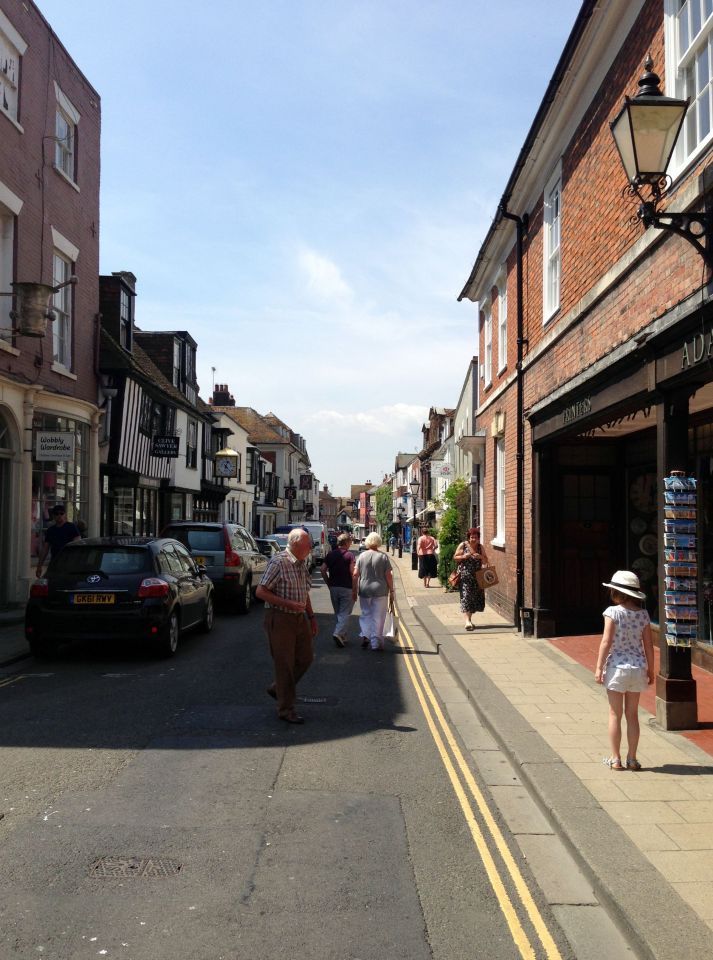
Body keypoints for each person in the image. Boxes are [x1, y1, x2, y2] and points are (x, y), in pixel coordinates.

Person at [255, 528, 317, 724]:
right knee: (285, 665)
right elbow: (260, 591)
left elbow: (304, 592)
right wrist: (287, 604)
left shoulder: (301, 563)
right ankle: (286, 709)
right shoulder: (279, 562)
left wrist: (311, 617)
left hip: (299, 618)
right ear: (296, 544)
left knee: (306, 658)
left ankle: (278, 689)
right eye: (308, 544)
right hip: (280, 618)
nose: (311, 547)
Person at [594, 571, 655, 771]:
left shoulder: (612, 612)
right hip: (637, 668)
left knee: (615, 714)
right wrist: (651, 669)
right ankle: (633, 759)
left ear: (615, 592)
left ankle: (615, 759)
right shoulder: (643, 615)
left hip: (616, 668)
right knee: (632, 715)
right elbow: (648, 645)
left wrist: (599, 667)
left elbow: (606, 641)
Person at [352, 532, 394, 651]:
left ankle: (366, 635)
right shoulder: (383, 557)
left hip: (365, 589)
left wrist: (354, 590)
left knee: (366, 613)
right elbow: (389, 575)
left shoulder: (362, 556)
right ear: (379, 542)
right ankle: (375, 642)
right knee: (378, 616)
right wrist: (392, 590)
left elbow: (355, 574)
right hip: (380, 590)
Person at [320, 532, 356, 647]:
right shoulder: (350, 555)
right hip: (347, 588)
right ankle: (337, 633)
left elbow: (322, 569)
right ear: (346, 543)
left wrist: (328, 583)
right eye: (350, 542)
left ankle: (342, 636)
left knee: (338, 613)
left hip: (333, 588)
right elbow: (353, 573)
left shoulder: (330, 554)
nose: (350, 544)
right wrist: (355, 589)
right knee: (345, 613)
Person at [452, 527, 490, 631]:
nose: (473, 539)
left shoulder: (480, 547)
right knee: (466, 597)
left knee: (473, 599)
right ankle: (467, 622)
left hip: (477, 577)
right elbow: (455, 557)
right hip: (465, 576)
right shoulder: (463, 545)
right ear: (469, 537)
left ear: (478, 538)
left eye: (475, 537)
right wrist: (464, 556)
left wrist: (480, 557)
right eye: (472, 537)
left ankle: (469, 620)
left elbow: (486, 561)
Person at [35, 504, 81, 577]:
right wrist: (39, 566)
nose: (59, 515)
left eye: (61, 513)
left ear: (65, 515)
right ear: (53, 516)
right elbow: (45, 549)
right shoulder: (51, 530)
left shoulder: (71, 527)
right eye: (56, 514)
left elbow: (77, 544)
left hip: (69, 562)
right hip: (55, 561)